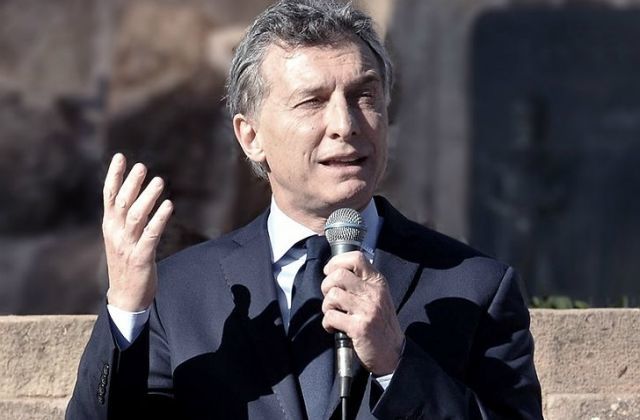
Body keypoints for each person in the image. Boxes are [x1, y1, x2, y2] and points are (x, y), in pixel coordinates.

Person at [66, 1, 543, 419]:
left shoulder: (476, 287)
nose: (345, 124)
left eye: (364, 96)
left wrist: (397, 364)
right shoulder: (180, 293)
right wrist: (127, 308)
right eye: (312, 101)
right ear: (250, 136)